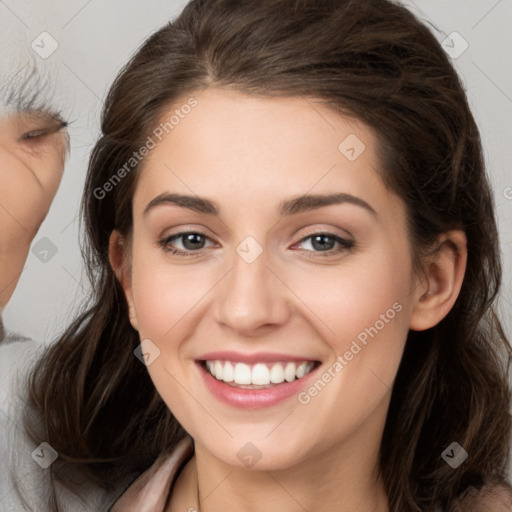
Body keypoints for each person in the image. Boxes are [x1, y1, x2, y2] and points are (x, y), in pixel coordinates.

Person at [1, 0, 511, 510]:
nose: (246, 310)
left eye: (321, 241)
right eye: (191, 240)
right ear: (128, 276)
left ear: (434, 279)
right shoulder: (24, 457)